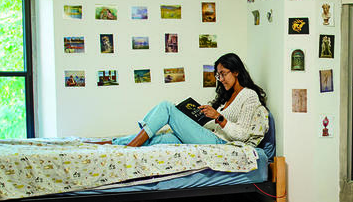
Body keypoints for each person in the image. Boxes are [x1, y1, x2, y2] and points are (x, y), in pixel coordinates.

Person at [109, 53, 267, 147]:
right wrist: (198, 117)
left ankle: (129, 148)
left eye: (223, 74)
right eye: (218, 75)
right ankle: (113, 144)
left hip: (220, 144)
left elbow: (243, 135)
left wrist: (218, 117)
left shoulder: (249, 96)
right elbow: (217, 125)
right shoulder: (227, 96)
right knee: (161, 139)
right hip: (209, 135)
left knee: (166, 107)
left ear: (236, 72)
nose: (221, 79)